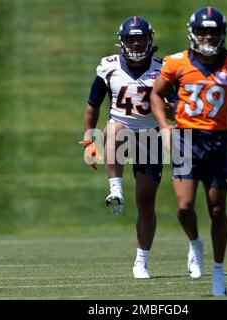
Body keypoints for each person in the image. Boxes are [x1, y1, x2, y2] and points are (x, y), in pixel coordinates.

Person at [150, 7, 227, 296]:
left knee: (217, 208)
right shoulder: (176, 63)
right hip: (185, 138)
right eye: (202, 31)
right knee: (184, 207)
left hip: (217, 141)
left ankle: (219, 271)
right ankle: (195, 243)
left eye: (213, 32)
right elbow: (156, 94)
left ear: (222, 34)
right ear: (192, 33)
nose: (207, 37)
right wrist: (163, 126)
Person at [80, 16, 172, 279]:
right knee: (114, 129)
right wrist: (89, 142)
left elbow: (178, 108)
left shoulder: (163, 69)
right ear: (121, 41)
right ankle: (115, 189)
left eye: (140, 38)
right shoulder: (108, 67)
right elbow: (92, 105)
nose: (135, 43)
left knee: (146, 202)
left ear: (149, 40)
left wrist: (171, 110)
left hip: (151, 137)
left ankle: (141, 261)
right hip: (119, 132)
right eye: (130, 38)